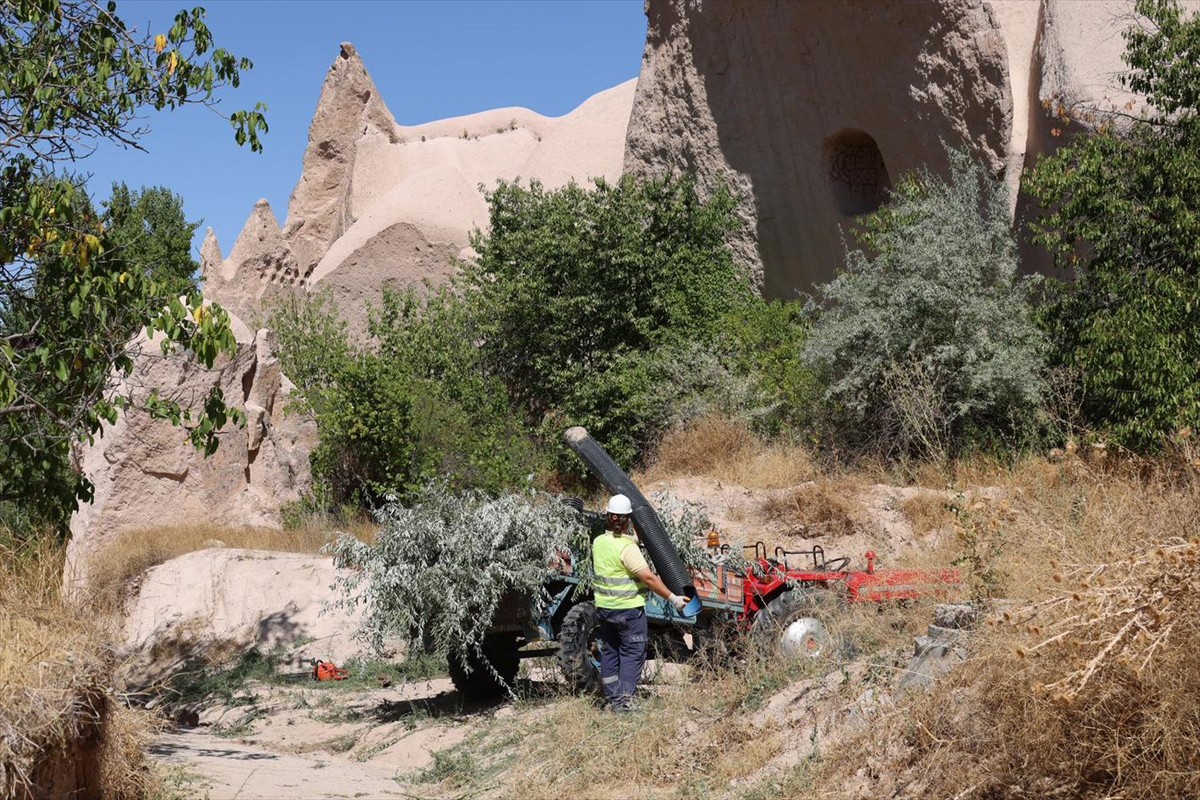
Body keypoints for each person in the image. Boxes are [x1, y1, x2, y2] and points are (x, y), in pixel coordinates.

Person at [593, 493, 689, 712]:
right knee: (632, 653)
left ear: (609, 517)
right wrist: (673, 599)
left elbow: (632, 541)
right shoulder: (628, 549)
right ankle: (625, 701)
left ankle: (611, 699)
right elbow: (648, 578)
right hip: (627, 611)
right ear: (627, 520)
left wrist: (633, 525)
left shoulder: (599, 542)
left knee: (610, 652)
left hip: (605, 610)